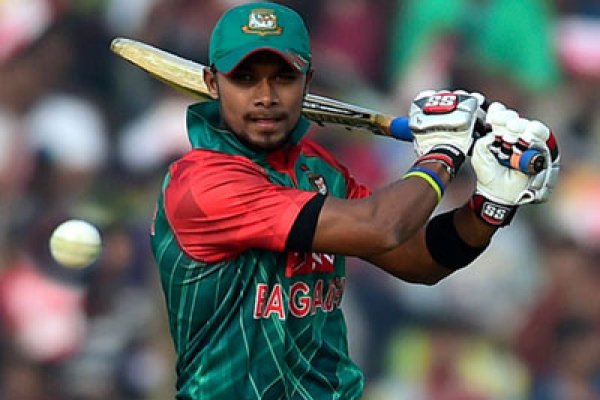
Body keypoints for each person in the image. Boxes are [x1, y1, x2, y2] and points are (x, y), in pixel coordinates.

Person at [149, 2, 560, 399]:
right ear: (212, 83)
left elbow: (418, 260)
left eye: (284, 77)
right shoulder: (203, 183)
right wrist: (445, 152)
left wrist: (489, 205)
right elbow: (380, 227)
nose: (266, 96)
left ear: (307, 82)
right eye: (244, 78)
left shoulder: (319, 170)